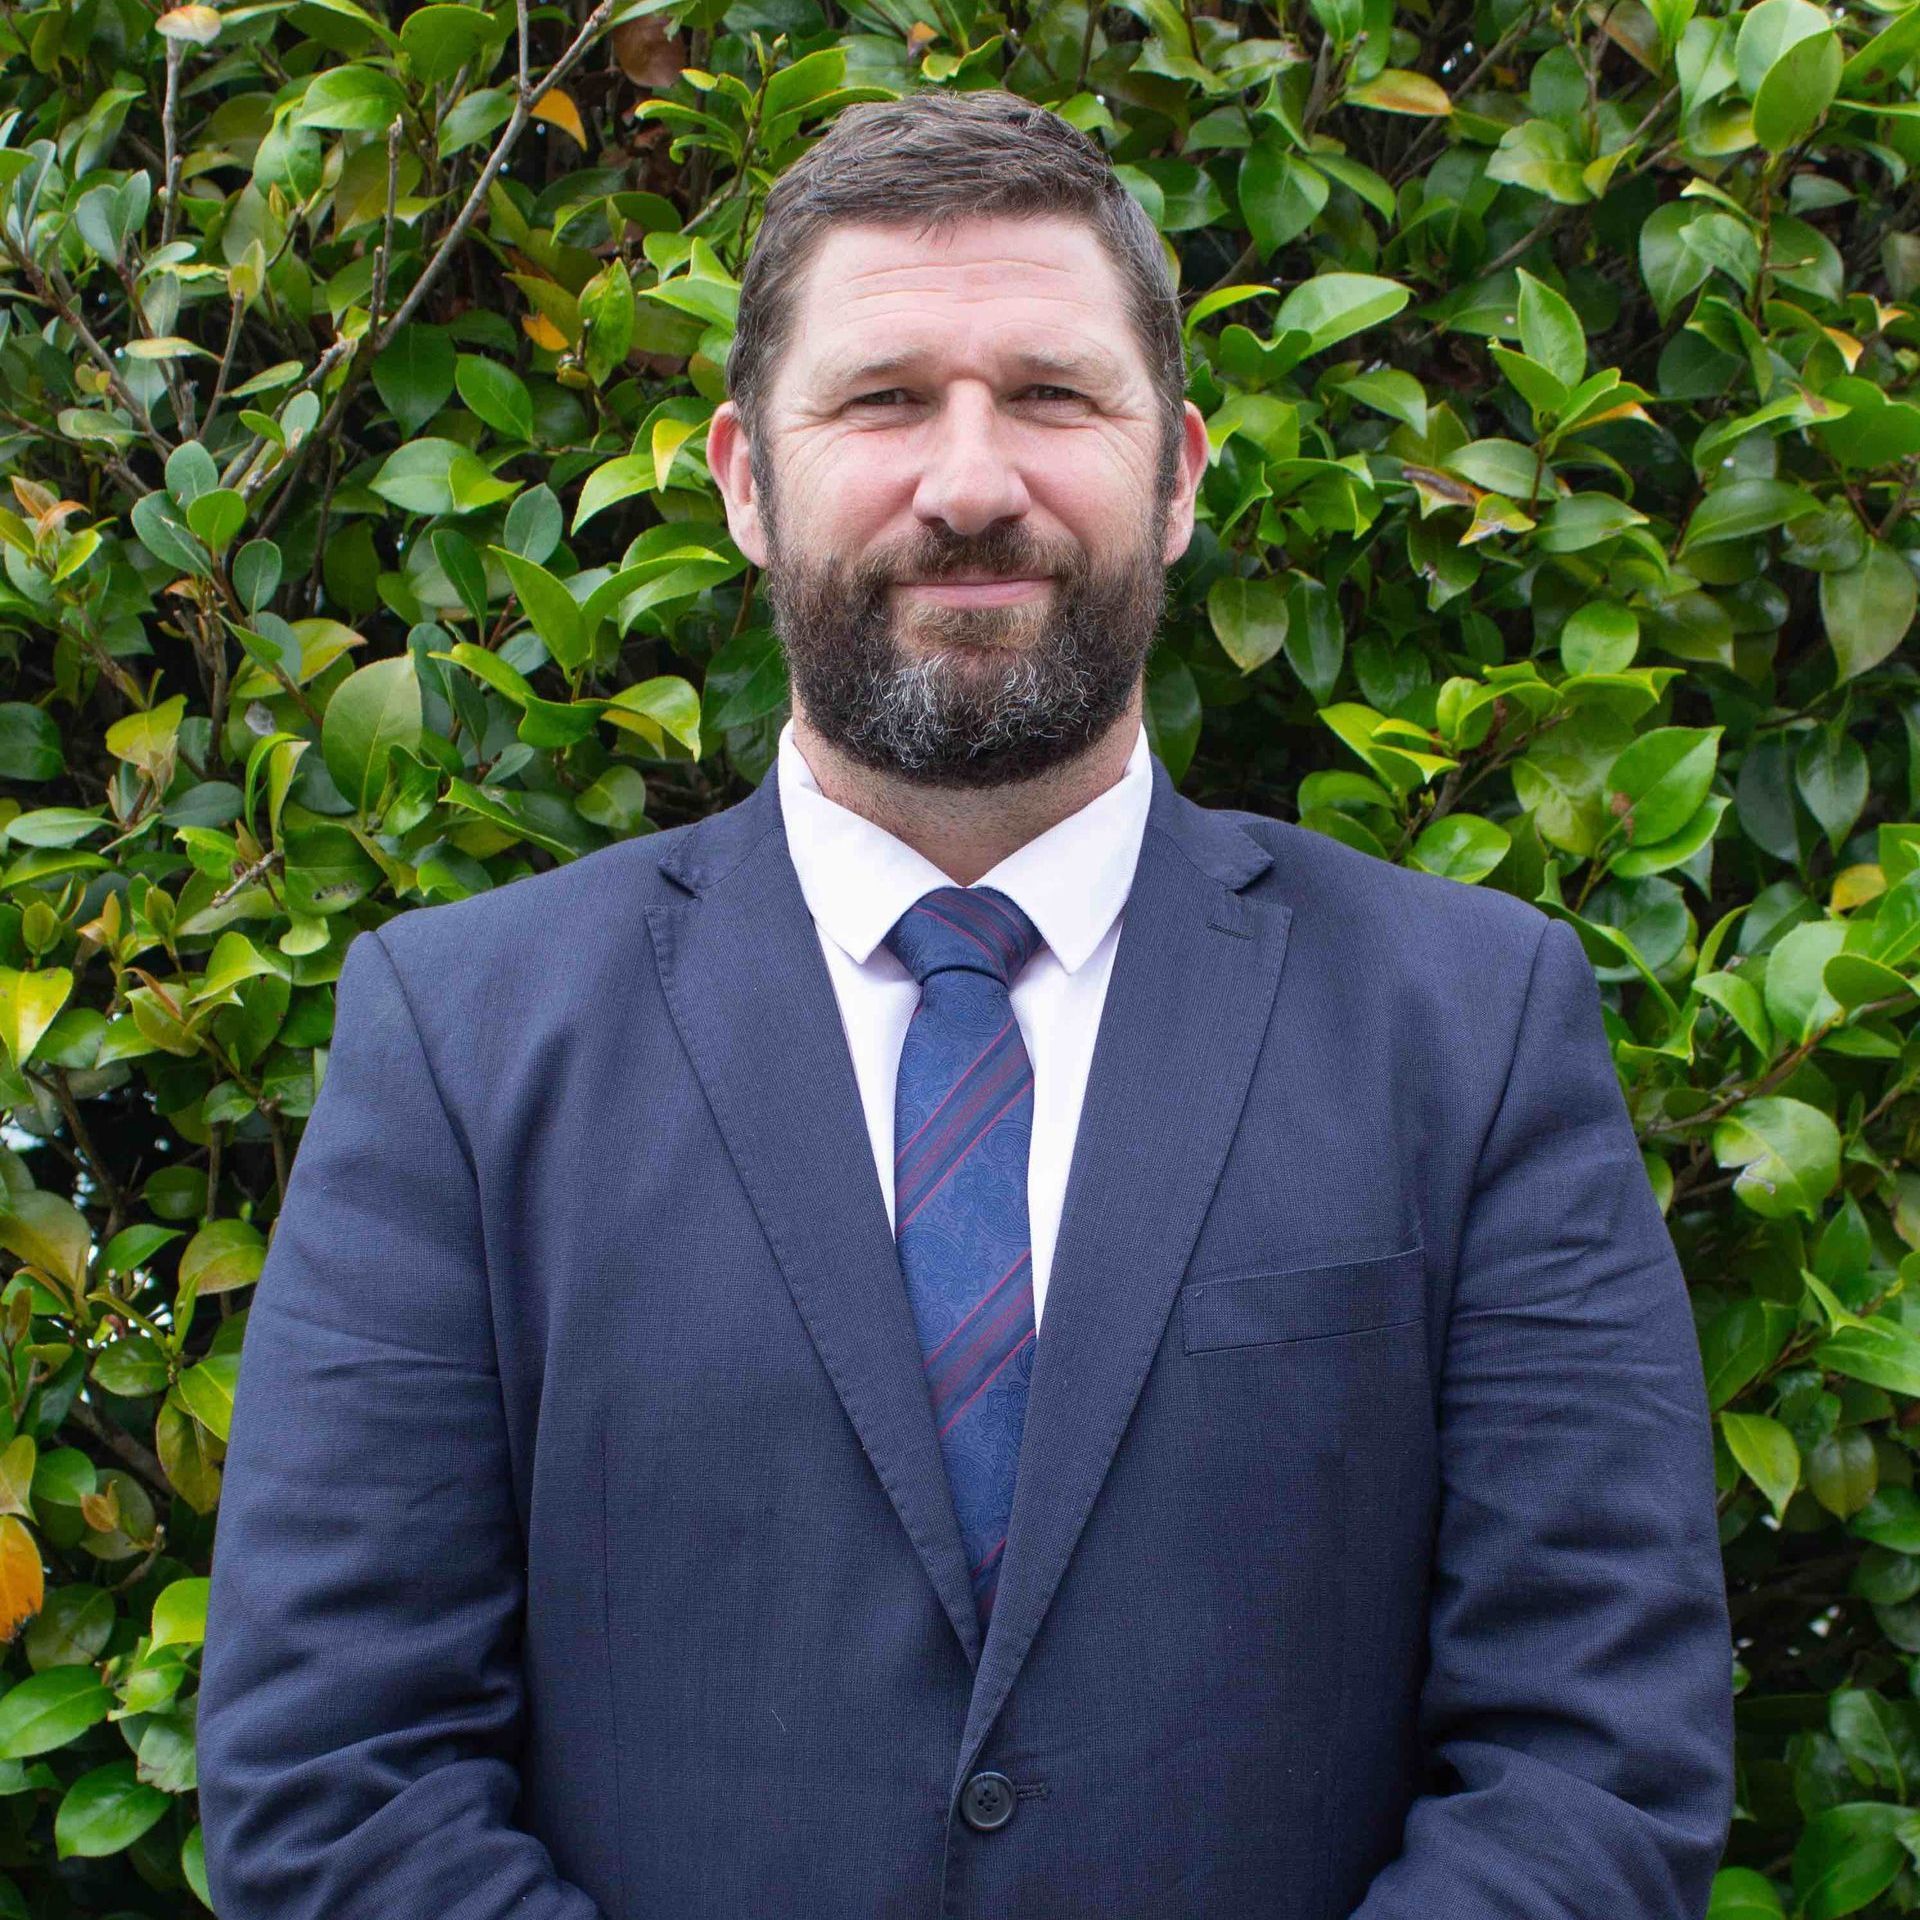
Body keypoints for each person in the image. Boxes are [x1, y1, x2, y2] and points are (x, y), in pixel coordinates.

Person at [197, 86, 1735, 1920]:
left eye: (1055, 396)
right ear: (746, 481)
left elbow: (1596, 1762)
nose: (973, 481)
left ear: (1174, 475)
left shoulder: (1469, 1028)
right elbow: (335, 1781)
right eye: (883, 399)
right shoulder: (462, 1043)